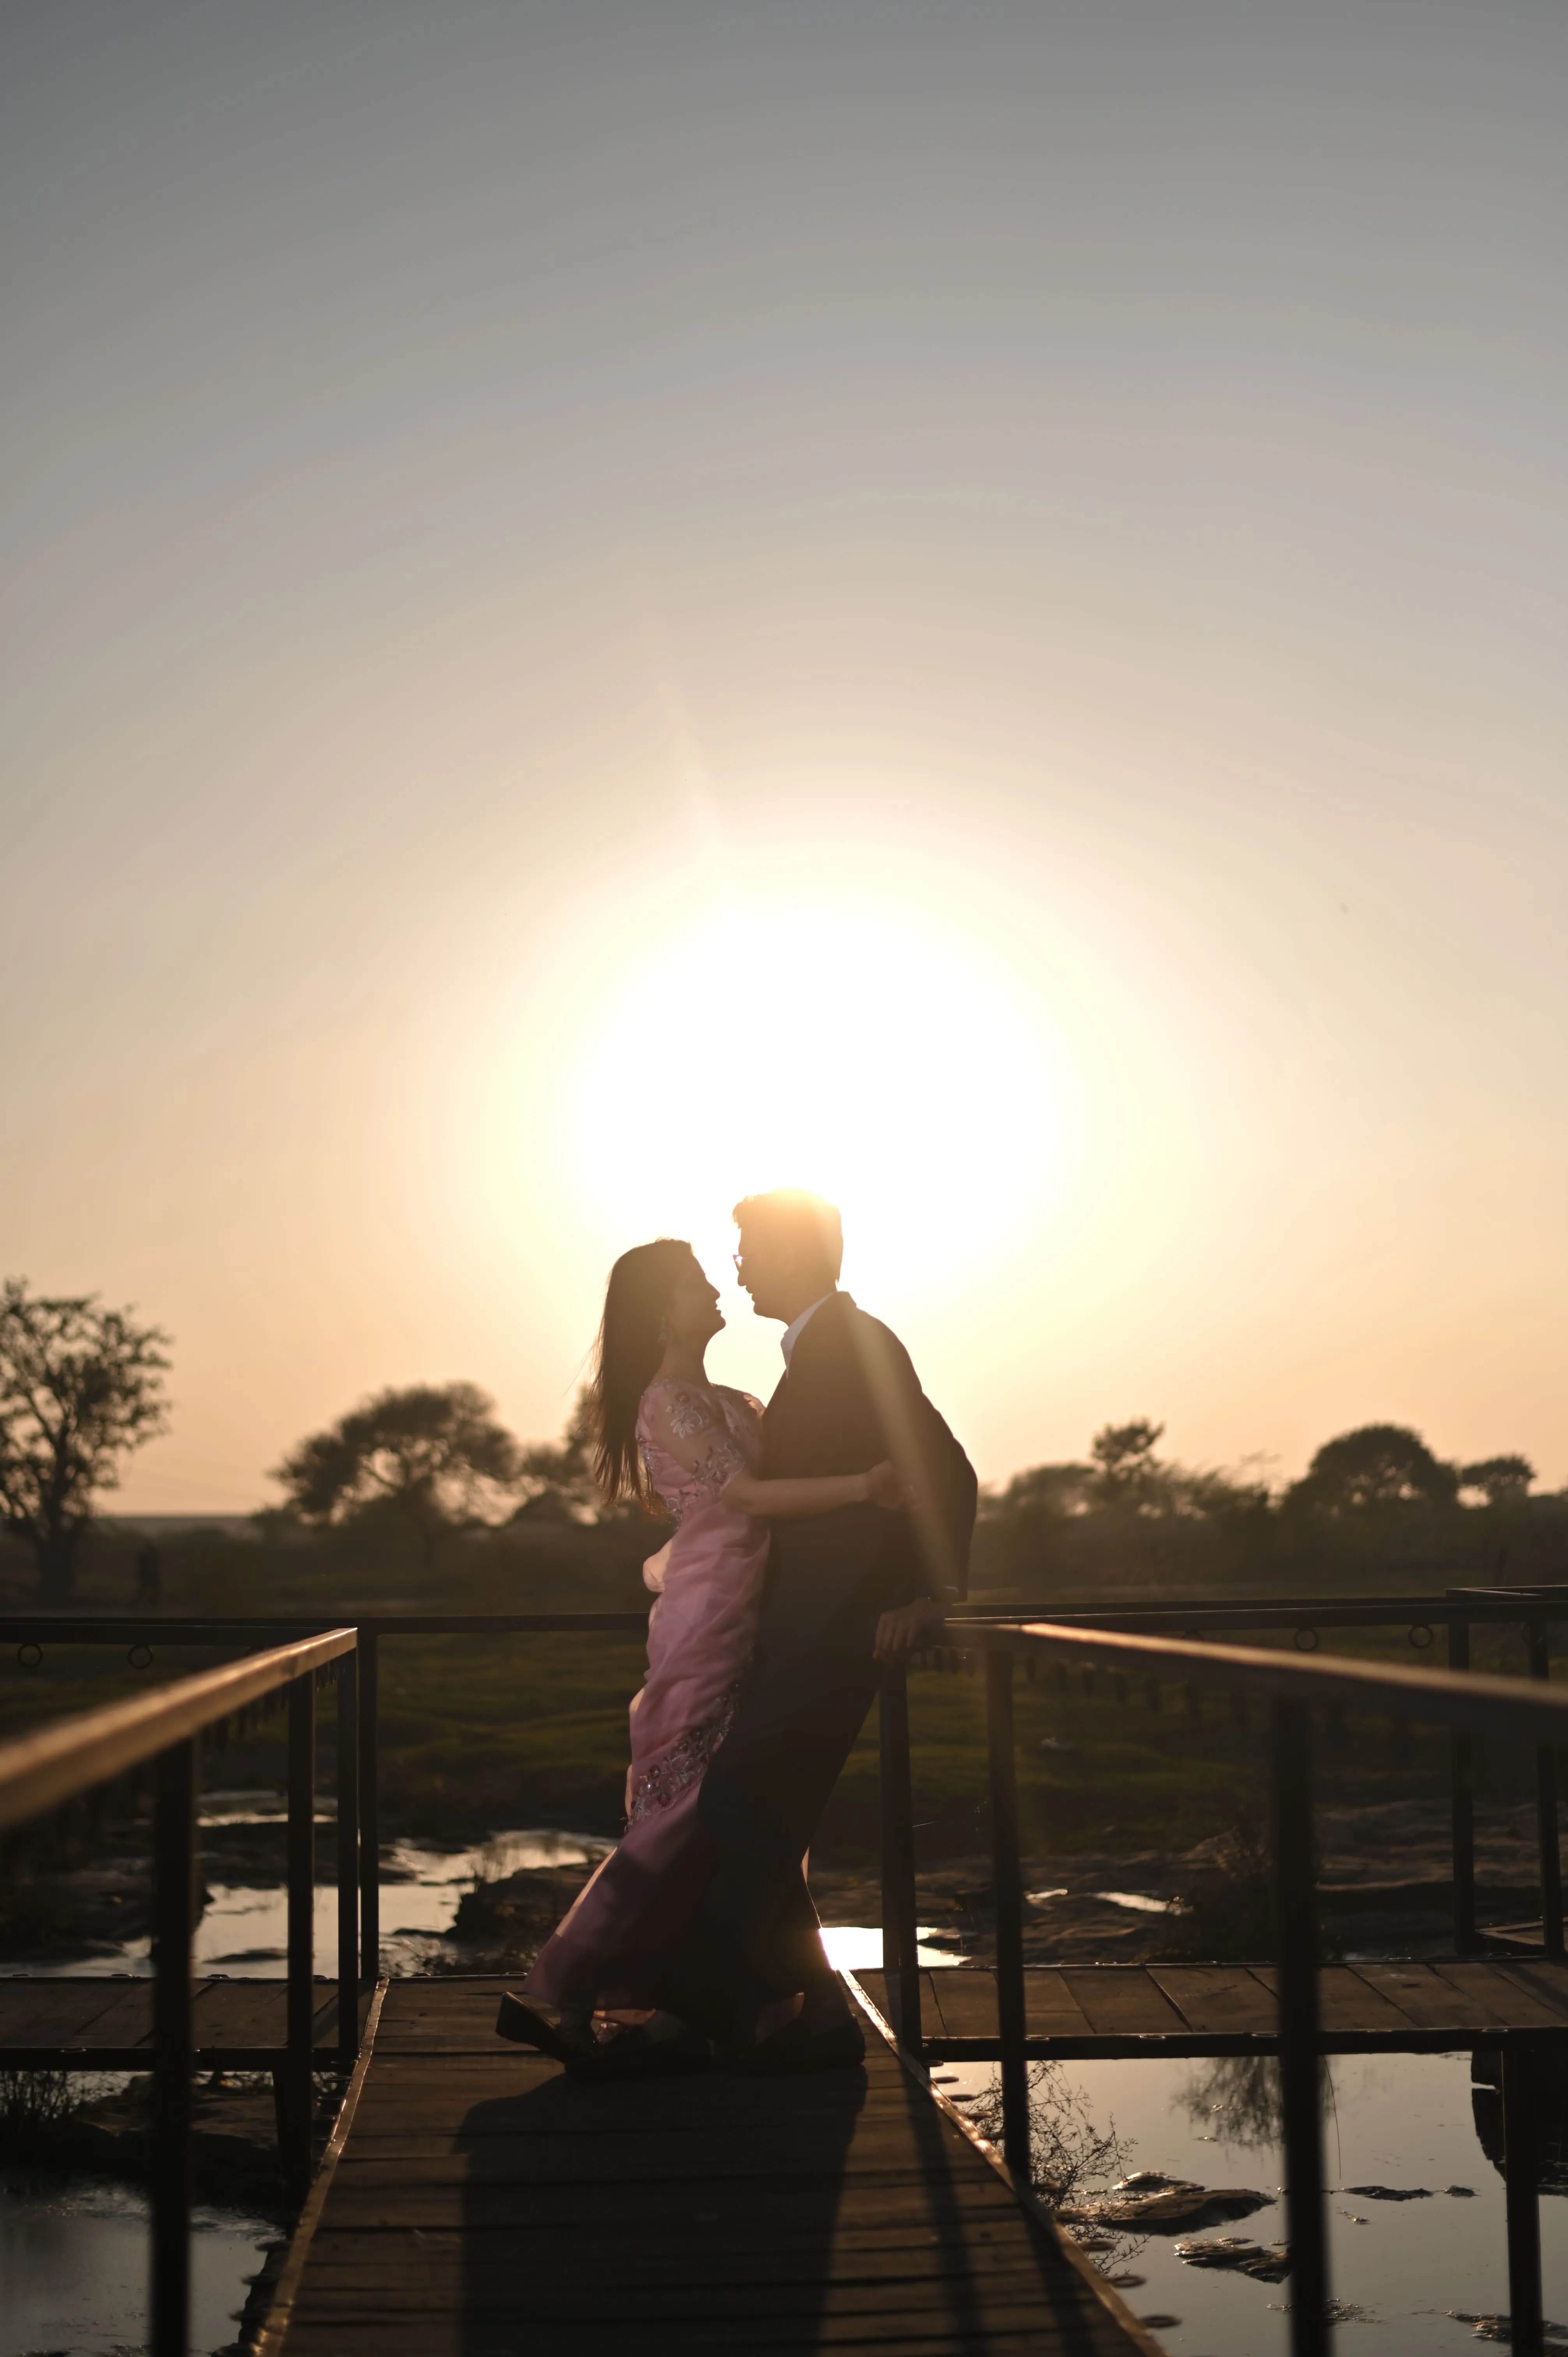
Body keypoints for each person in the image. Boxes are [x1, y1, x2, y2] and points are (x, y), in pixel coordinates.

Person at [496, 1236, 904, 2078]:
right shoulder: (668, 1404)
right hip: (710, 1613)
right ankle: (579, 1998)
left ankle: (733, 2009)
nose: (717, 1290)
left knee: (743, 1810)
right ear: (659, 1311)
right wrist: (864, 1488)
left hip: (758, 1613)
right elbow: (749, 1499)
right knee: (685, 1806)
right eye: (695, 1284)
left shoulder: (732, 1401)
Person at [693, 1187, 976, 2073]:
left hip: (842, 1632)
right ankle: (812, 2016)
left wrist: (930, 1593)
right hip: (802, 1631)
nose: (736, 1266)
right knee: (756, 1815)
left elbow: (946, 1469)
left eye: (746, 1249)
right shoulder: (816, 1348)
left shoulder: (853, 1343)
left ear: (790, 1256)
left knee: (736, 1803)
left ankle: (731, 2014)